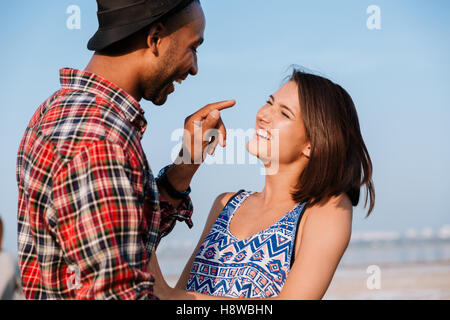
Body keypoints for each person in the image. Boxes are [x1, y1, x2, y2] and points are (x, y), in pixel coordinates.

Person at [16, 0, 234, 299]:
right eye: (193, 47)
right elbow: (119, 294)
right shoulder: (98, 139)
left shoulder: (66, 111)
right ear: (155, 37)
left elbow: (131, 240)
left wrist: (185, 165)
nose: (194, 68)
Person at [150, 69, 375, 300]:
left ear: (312, 144)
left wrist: (166, 294)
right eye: (269, 102)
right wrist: (188, 157)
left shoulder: (326, 210)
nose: (264, 115)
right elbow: (179, 294)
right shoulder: (226, 204)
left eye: (284, 114)